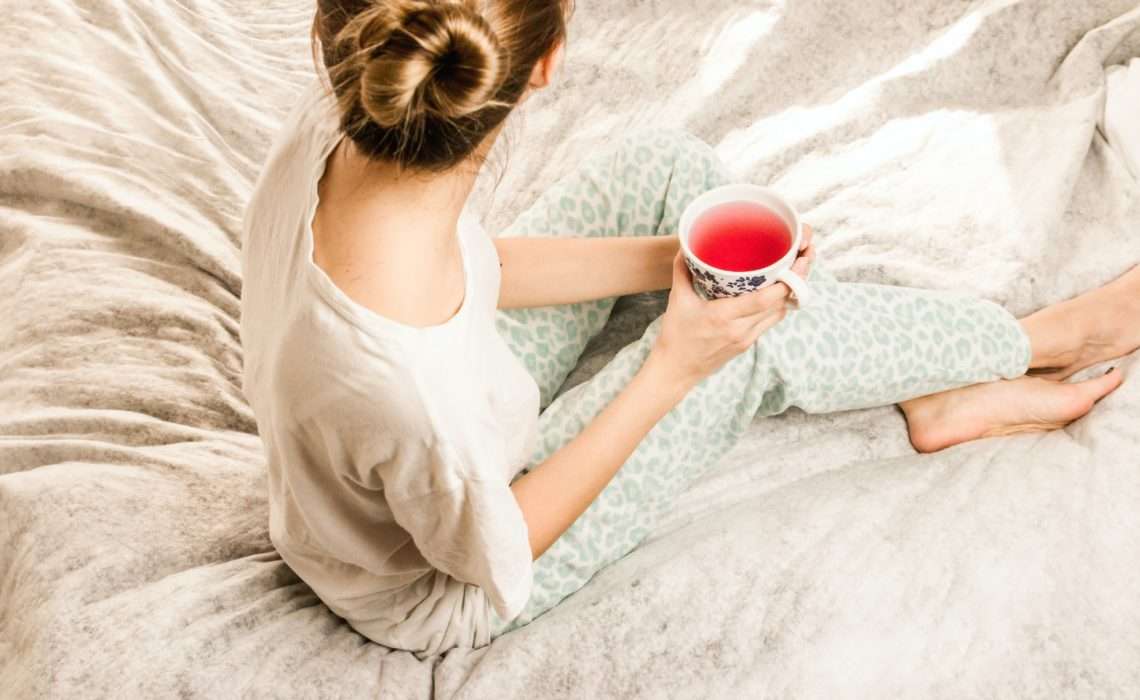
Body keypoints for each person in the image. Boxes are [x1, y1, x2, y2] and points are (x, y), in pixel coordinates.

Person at [238, 0, 1136, 660]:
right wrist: (673, 364)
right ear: (547, 61)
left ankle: (930, 368)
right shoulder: (405, 391)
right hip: (456, 579)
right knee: (758, 344)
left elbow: (475, 271)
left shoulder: (342, 123)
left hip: (460, 403)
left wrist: (673, 258)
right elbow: (499, 542)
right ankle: (1043, 340)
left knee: (671, 170)